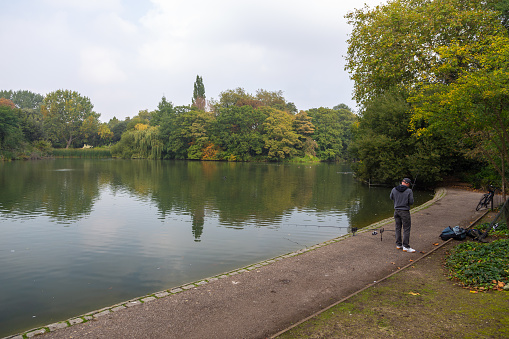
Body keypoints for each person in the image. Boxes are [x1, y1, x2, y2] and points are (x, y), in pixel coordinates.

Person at [390, 178, 415, 253]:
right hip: (404, 212)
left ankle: (398, 244)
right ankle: (406, 246)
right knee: (406, 229)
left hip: (396, 211)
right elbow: (411, 202)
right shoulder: (409, 191)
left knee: (398, 227)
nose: (409, 185)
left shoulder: (394, 189)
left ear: (402, 182)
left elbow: (391, 197)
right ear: (407, 183)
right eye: (409, 184)